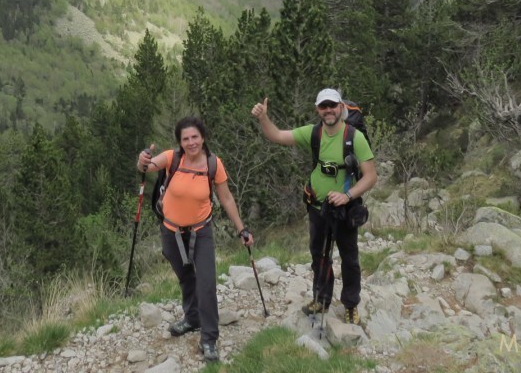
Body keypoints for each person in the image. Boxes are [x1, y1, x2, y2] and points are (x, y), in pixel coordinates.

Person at [251, 89, 377, 325]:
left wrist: (347, 196)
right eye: (323, 106)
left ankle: (351, 304)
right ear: (317, 109)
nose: (328, 110)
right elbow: (277, 136)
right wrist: (263, 118)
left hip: (345, 209)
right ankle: (321, 298)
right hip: (317, 208)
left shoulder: (354, 137)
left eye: (332, 105)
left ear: (341, 107)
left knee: (349, 259)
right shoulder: (314, 134)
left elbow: (370, 176)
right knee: (319, 256)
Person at [137, 116, 253, 363]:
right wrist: (143, 160)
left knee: (207, 284)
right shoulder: (172, 158)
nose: (191, 143)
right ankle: (192, 318)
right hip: (171, 232)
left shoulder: (213, 164)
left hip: (201, 232)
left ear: (203, 137)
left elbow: (227, 198)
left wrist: (242, 229)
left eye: (195, 137)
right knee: (186, 277)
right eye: (185, 139)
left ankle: (209, 339)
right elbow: (147, 167)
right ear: (179, 142)